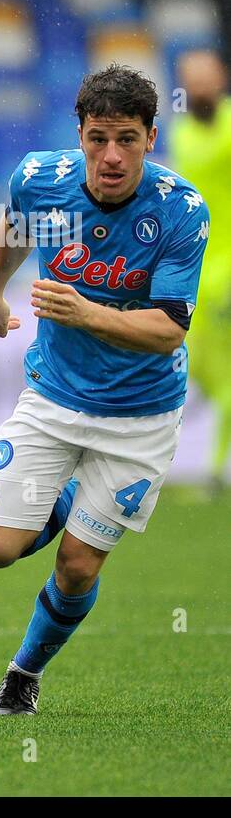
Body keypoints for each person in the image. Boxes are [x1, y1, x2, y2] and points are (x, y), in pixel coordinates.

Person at [0, 64, 208, 714]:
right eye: (99, 137)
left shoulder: (180, 210)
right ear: (78, 133)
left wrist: (86, 313)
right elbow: (16, 232)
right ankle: (74, 493)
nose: (112, 156)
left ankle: (23, 675)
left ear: (151, 137)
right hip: (55, 399)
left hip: (141, 416)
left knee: (77, 564)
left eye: (127, 139)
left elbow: (167, 331)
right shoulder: (39, 181)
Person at [169, 49, 231, 493]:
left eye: (206, 77)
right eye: (192, 79)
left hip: (228, 273)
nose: (200, 86)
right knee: (196, 374)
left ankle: (214, 470)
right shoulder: (179, 133)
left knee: (225, 375)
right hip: (195, 274)